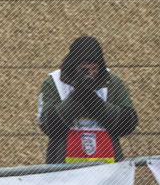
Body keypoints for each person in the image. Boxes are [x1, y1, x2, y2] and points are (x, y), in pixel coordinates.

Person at [37, 35, 138, 164]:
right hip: (63, 166)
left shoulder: (111, 83)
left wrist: (95, 102)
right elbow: (47, 125)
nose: (90, 74)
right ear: (74, 66)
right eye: (84, 69)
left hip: (107, 166)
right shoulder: (55, 82)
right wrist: (77, 97)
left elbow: (129, 123)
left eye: (94, 68)